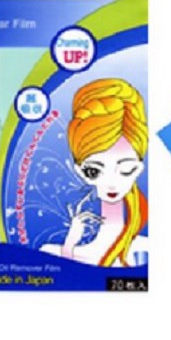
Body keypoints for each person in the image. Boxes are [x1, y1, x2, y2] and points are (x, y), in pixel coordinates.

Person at [41, 78, 148, 266]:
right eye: (94, 171)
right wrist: (69, 245)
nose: (111, 183)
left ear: (138, 169)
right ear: (80, 171)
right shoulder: (52, 251)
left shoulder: (145, 249)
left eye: (126, 170)